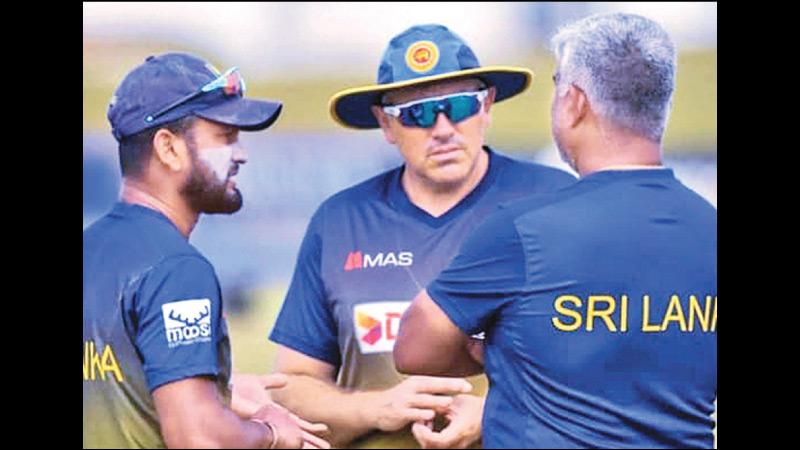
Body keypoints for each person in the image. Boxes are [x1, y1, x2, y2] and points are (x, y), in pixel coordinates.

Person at [394, 12, 717, 449]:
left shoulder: (520, 231)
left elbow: (415, 349)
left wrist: (504, 350)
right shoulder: (709, 229)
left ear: (575, 102)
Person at [267, 24, 576, 448]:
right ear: (385, 125)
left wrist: (494, 414)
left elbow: (616, 362)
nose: (444, 128)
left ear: (487, 105)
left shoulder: (554, 201)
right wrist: (377, 408)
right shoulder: (340, 221)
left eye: (461, 105)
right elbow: (290, 388)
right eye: (419, 113)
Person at [83, 52, 329, 449]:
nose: (241, 153)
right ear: (169, 148)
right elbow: (198, 437)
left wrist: (218, 391)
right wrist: (273, 433)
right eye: (225, 137)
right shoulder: (177, 269)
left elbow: (118, 381)